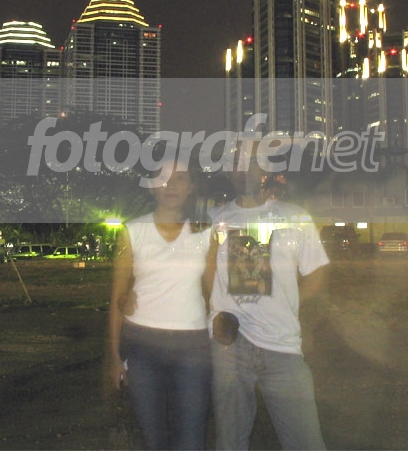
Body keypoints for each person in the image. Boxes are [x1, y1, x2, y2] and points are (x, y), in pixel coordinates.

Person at [205, 143, 329, 450]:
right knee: (230, 441)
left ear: (266, 170)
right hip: (230, 347)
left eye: (252, 162)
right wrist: (215, 309)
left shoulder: (295, 217)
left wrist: (288, 308)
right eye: (236, 163)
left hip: (281, 345)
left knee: (305, 441)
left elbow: (316, 275)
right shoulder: (215, 218)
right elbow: (206, 269)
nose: (243, 169)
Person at [109, 156, 212, 450]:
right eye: (163, 178)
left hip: (192, 346)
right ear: (152, 186)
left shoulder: (206, 232)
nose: (171, 185)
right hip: (142, 344)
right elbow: (117, 297)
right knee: (153, 440)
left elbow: (215, 292)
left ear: (191, 186)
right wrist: (114, 356)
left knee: (191, 440)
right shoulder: (133, 230)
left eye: (180, 178)